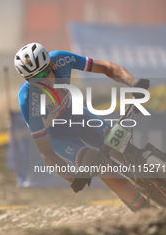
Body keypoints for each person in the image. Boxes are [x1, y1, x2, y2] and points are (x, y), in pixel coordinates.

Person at [14, 42, 152, 211]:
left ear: (51, 63)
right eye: (34, 79)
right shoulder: (27, 99)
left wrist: (134, 83)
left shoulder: (62, 59)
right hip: (58, 136)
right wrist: (72, 178)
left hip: (76, 114)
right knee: (99, 164)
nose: (42, 81)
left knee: (124, 150)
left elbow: (107, 67)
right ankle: (145, 210)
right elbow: (46, 151)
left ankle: (165, 182)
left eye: (44, 73)